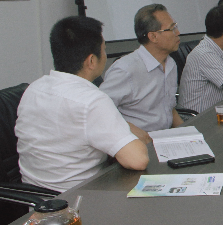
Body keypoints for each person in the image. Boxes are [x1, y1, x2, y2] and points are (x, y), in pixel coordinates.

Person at [15, 16, 149, 193]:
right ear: (91, 61)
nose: (105, 55)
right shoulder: (92, 101)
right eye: (104, 50)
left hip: (35, 201)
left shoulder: (33, 89)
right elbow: (138, 160)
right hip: (78, 201)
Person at [100, 4, 183, 133]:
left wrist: (189, 133)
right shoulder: (125, 70)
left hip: (165, 137)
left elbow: (169, 108)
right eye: (172, 29)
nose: (178, 33)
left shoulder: (170, 63)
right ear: (153, 37)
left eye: (176, 27)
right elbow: (99, 112)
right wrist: (133, 132)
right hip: (137, 141)